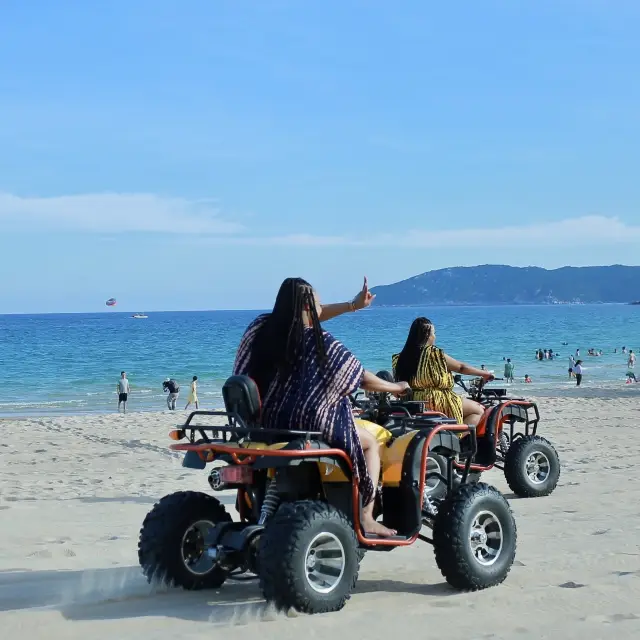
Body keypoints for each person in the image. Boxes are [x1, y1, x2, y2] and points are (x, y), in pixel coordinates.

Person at [233, 277, 410, 538]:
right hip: (304, 423)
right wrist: (397, 387)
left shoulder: (260, 328)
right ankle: (366, 516)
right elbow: (360, 377)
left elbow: (304, 318)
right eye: (317, 303)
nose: (321, 308)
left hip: (262, 421)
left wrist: (352, 305)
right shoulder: (321, 344)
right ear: (307, 307)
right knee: (371, 442)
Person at [392, 317, 493, 427]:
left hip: (411, 403)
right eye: (433, 333)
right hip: (435, 400)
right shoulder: (434, 353)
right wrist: (485, 373)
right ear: (427, 335)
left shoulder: (400, 358)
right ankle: (458, 438)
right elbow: (461, 367)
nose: (435, 336)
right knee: (478, 410)